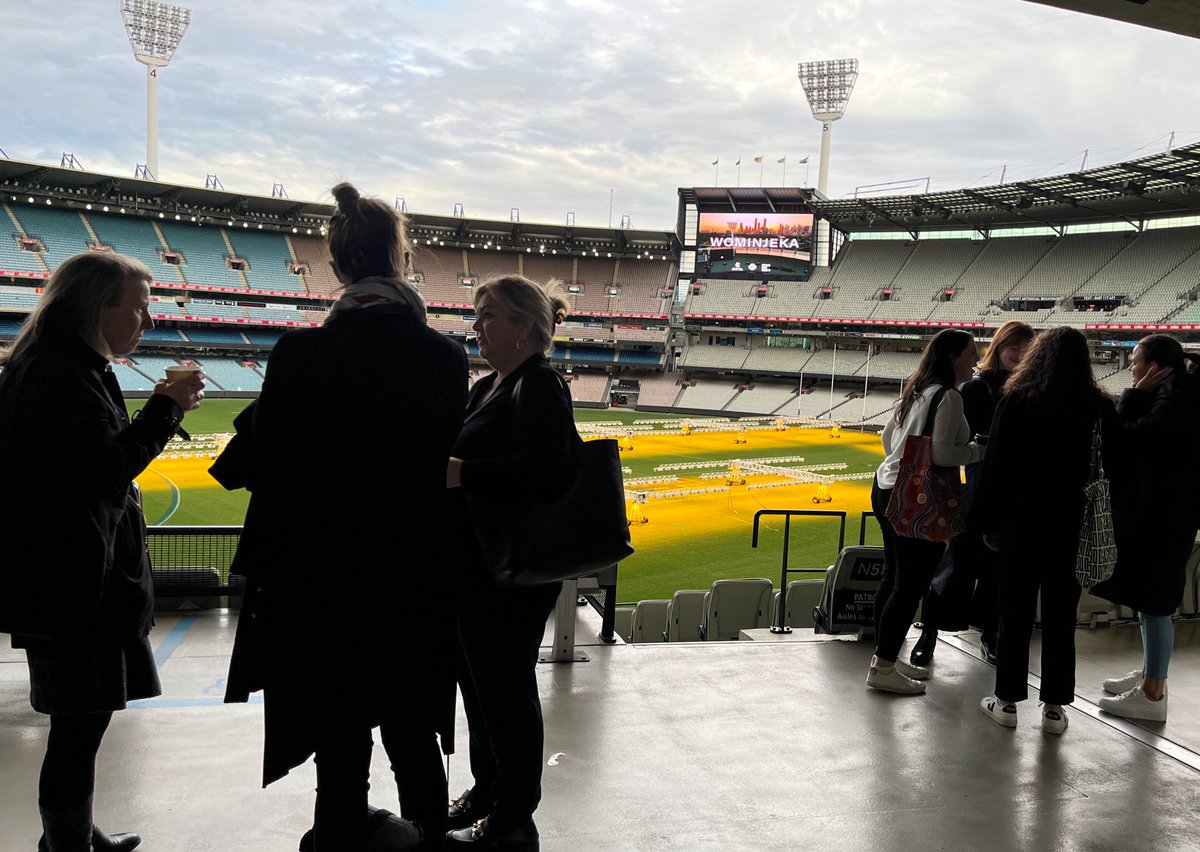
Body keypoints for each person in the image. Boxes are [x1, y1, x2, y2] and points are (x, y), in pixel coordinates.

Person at [213, 182, 468, 851]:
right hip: (411, 583)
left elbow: (247, 467)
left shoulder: (299, 355)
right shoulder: (444, 357)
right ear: (401, 259)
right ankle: (430, 841)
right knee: (414, 739)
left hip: (319, 586)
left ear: (336, 267)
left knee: (339, 744)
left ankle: (341, 839)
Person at [0, 251, 204, 852]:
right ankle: (66, 844)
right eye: (137, 306)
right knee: (78, 728)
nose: (147, 319)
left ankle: (74, 833)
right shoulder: (61, 376)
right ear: (96, 306)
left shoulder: (60, 367)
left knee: (82, 723)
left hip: (75, 584)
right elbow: (101, 473)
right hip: (73, 589)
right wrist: (166, 409)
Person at [444, 275, 577, 851]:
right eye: (477, 315)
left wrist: (463, 472)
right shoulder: (488, 387)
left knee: (505, 690)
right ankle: (487, 788)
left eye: (489, 315)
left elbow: (551, 472)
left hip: (514, 571)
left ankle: (512, 818)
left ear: (525, 326)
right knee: (480, 688)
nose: (477, 326)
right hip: (478, 564)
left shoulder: (540, 384)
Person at [973, 326, 1124, 735]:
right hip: (1073, 526)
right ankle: (1055, 708)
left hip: (1022, 524)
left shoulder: (1018, 400)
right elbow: (1116, 469)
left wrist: (988, 522)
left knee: (1015, 614)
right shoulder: (1099, 408)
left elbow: (997, 468)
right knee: (1061, 617)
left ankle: (1005, 701)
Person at [867, 329, 985, 695]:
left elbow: (887, 438)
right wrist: (978, 452)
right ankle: (883, 668)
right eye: (970, 355)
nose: (975, 362)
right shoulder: (949, 396)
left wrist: (902, 459)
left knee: (894, 578)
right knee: (909, 587)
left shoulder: (917, 390)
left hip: (886, 487)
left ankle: (883, 657)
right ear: (953, 358)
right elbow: (941, 455)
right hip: (919, 498)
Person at [912, 320, 1035, 666]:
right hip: (970, 489)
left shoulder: (1026, 391)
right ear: (998, 347)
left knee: (997, 573)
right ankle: (930, 633)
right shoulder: (976, 389)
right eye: (1014, 346)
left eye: (1027, 347)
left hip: (1008, 493)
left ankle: (990, 634)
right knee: (953, 566)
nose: (1020, 353)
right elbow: (954, 441)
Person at [1092, 335, 1200, 721]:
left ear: (1154, 367)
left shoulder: (1175, 405)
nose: (1132, 369)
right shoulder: (1178, 398)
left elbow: (1124, 441)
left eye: (1136, 361)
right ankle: (1150, 675)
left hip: (1163, 519)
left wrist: (1132, 396)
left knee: (1154, 603)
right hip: (1165, 516)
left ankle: (1153, 693)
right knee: (1149, 601)